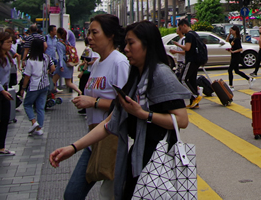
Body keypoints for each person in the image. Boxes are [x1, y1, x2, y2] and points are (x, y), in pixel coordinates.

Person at [49, 22, 192, 200]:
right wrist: (73, 148)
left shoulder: (160, 73)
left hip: (158, 159)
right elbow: (111, 122)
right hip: (138, 158)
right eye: (126, 43)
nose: (126, 49)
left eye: (131, 43)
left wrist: (143, 114)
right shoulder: (135, 76)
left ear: (147, 44)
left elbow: (182, 120)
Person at [67, 14, 129, 200]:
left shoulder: (119, 62)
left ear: (110, 35)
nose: (89, 37)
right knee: (72, 194)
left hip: (111, 140)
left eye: (95, 32)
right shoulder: (96, 64)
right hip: (93, 137)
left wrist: (92, 102)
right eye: (89, 33)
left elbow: (126, 106)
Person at [17, 38, 54, 135]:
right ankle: (39, 129)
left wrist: (23, 88)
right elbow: (53, 68)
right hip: (45, 84)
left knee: (27, 104)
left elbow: (27, 76)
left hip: (34, 86)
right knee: (40, 107)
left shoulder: (31, 59)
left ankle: (34, 122)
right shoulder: (46, 57)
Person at [171, 19, 203, 109]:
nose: (181, 31)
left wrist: (178, 45)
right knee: (192, 80)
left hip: (191, 60)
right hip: (197, 60)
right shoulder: (194, 33)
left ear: (185, 25)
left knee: (183, 79)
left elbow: (187, 48)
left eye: (181, 28)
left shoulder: (188, 35)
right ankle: (194, 102)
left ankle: (195, 97)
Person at [54, 27, 83, 96]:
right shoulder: (67, 42)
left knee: (53, 80)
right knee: (69, 83)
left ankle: (51, 94)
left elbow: (60, 56)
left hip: (63, 64)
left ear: (58, 34)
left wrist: (60, 65)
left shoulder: (59, 43)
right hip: (69, 64)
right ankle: (79, 92)